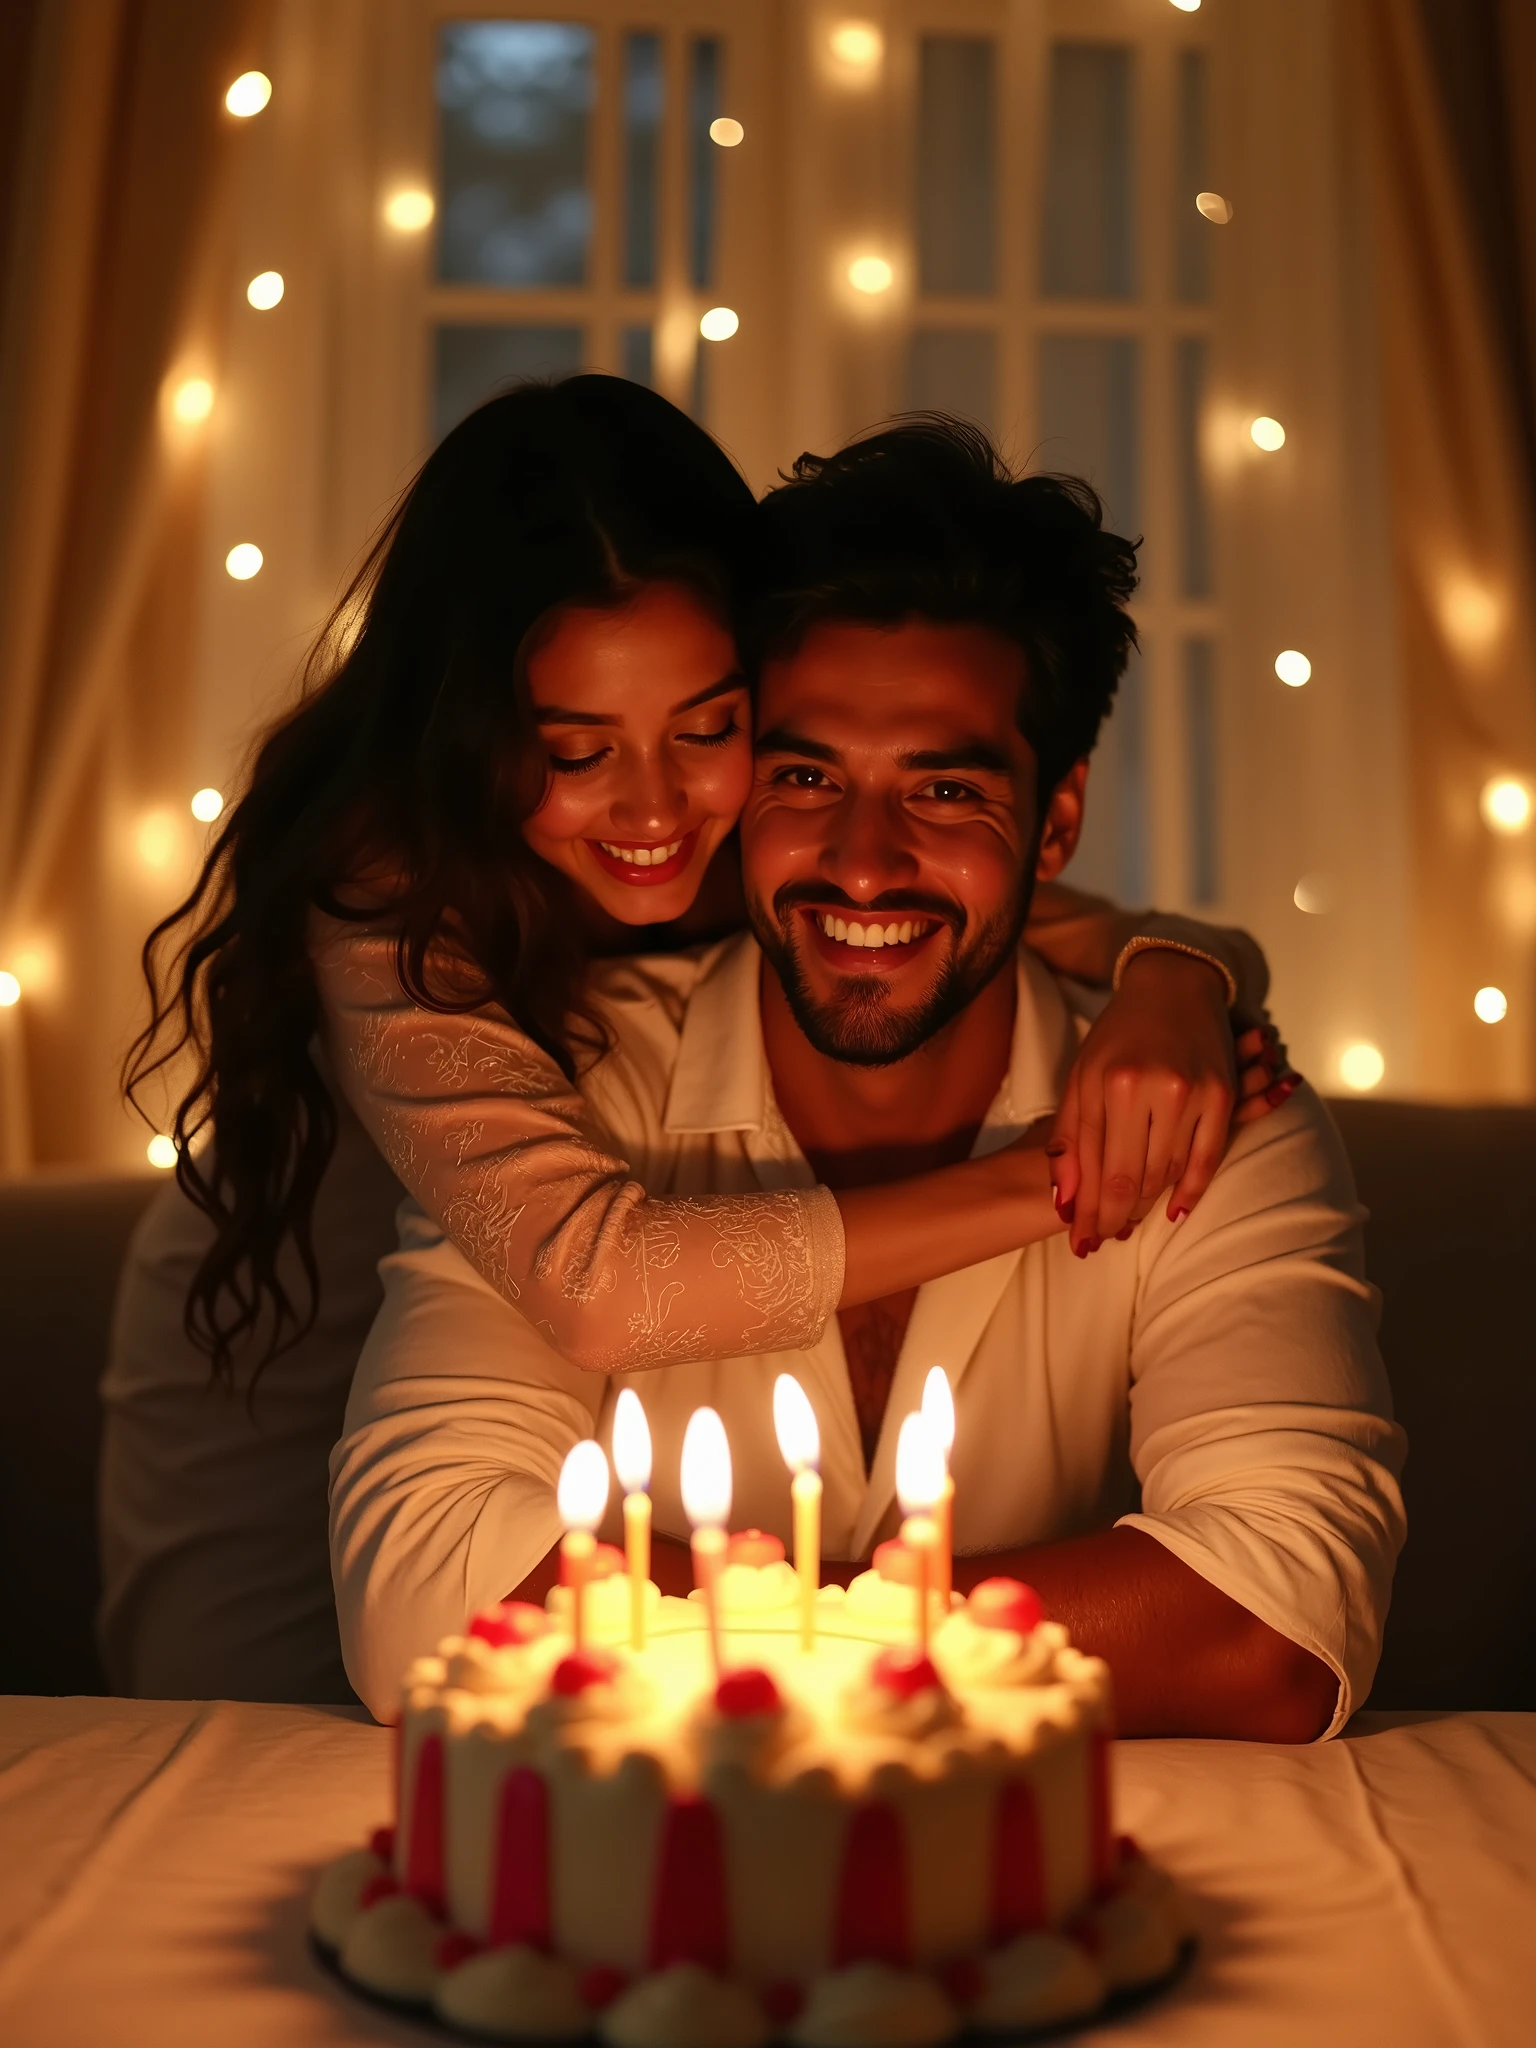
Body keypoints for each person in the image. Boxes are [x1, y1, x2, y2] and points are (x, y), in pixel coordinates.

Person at [103, 379, 1284, 1702]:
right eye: (576, 747)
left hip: (528, 1394)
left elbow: (1012, 907)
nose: (655, 805)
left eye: (712, 730)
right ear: (478, 737)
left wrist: (1180, 977)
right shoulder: (401, 898)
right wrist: (1046, 1179)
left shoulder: (756, 838)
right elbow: (598, 1282)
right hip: (279, 1350)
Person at [329, 417, 1404, 1740]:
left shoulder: (1197, 1097)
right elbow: (424, 1595)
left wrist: (1185, 968)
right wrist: (900, 1649)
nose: (864, 860)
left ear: (1056, 822)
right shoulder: (546, 1064)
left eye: (945, 794)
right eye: (806, 775)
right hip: (265, 1283)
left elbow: (1274, 1625)